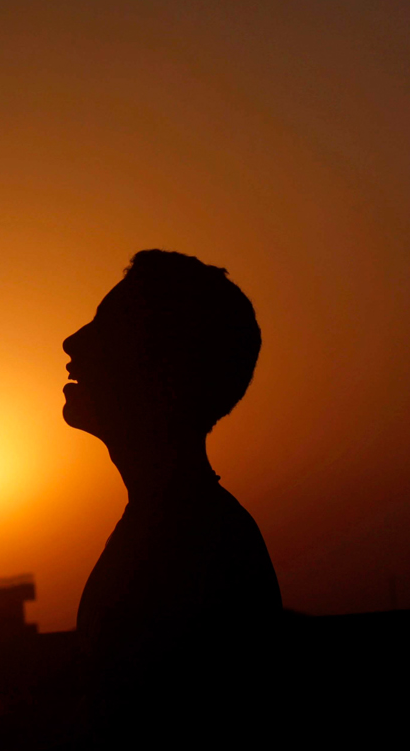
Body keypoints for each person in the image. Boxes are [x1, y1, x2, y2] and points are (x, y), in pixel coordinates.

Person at [62, 249, 281, 730]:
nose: (71, 343)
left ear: (158, 367)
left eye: (105, 331)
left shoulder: (189, 543)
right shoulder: (179, 525)